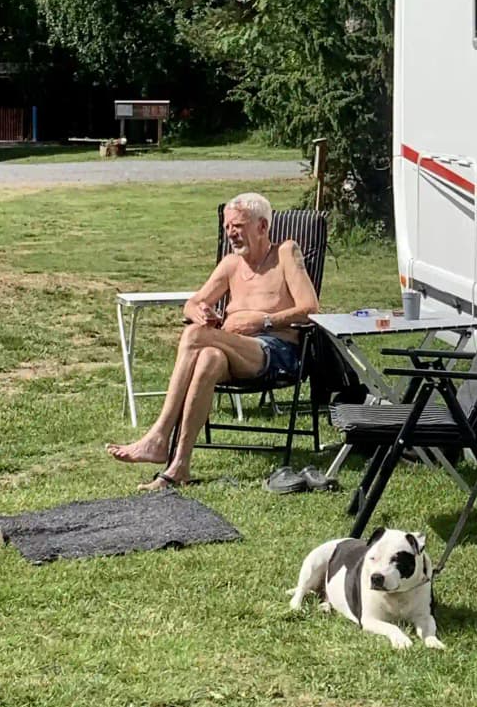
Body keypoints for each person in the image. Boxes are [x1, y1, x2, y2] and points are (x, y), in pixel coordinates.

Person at [107, 192, 319, 489]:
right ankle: (179, 466)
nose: (231, 233)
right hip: (235, 351)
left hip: (276, 351)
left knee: (195, 336)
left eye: (238, 225)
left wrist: (263, 320)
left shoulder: (285, 253)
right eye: (227, 226)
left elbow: (310, 308)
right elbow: (192, 303)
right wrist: (200, 311)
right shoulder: (231, 264)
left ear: (262, 226)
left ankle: (158, 435)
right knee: (208, 357)